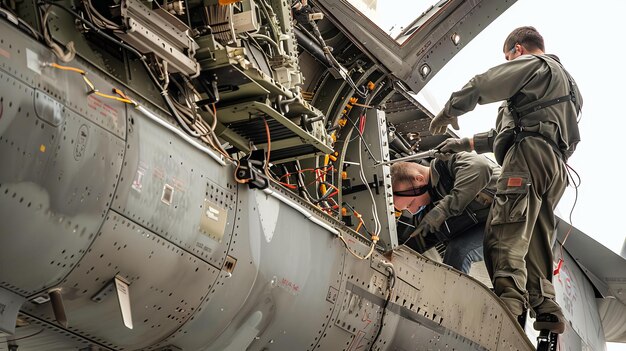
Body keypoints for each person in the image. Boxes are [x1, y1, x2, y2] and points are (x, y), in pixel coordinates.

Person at [429, 26, 582, 334]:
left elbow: (485, 83)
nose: (508, 61)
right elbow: (510, 131)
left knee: (505, 232)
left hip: (527, 158)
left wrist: (451, 108)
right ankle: (547, 307)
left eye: (508, 56)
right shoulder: (569, 87)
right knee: (537, 241)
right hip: (555, 169)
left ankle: (507, 309)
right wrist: (464, 143)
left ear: (518, 50)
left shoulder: (534, 65)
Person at [391, 152, 499, 274]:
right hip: (491, 225)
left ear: (419, 179)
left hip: (514, 212)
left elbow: (481, 167)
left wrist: (443, 210)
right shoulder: (432, 205)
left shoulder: (449, 161)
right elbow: (419, 241)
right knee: (456, 250)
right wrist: (394, 255)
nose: (413, 211)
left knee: (460, 251)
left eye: (410, 204)